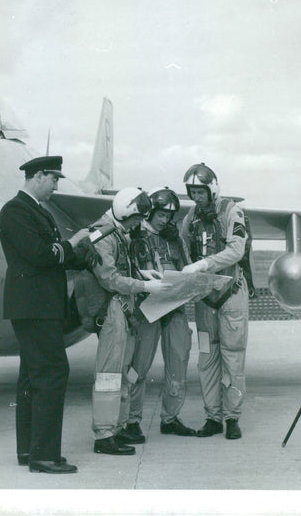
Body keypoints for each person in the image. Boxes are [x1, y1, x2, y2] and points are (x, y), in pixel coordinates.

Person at [0, 155, 92, 475]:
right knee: (51, 374)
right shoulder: (16, 211)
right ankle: (44, 456)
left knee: (32, 378)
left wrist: (79, 252)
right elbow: (40, 255)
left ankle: (30, 450)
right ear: (38, 176)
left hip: (36, 306)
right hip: (35, 308)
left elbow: (52, 256)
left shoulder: (34, 210)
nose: (55, 185)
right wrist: (73, 242)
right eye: (53, 179)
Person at [90, 187, 172, 455]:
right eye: (137, 219)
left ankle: (117, 427)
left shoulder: (118, 233)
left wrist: (142, 274)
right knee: (109, 375)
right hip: (113, 309)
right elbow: (109, 278)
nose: (139, 225)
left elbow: (122, 268)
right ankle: (104, 434)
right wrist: (144, 287)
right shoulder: (103, 234)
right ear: (127, 213)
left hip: (124, 309)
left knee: (123, 374)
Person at [119, 188, 197, 444]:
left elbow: (187, 268)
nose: (165, 220)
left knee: (178, 362)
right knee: (138, 366)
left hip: (174, 307)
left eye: (169, 216)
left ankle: (171, 418)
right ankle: (131, 420)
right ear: (150, 212)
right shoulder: (134, 236)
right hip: (145, 309)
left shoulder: (175, 239)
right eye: (161, 214)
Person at [179, 163, 249, 440]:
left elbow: (237, 249)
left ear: (212, 189)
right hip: (205, 298)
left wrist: (204, 264)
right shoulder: (191, 217)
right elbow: (184, 247)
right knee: (207, 359)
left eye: (200, 191)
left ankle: (232, 418)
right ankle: (212, 417)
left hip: (231, 294)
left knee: (233, 357)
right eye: (192, 192)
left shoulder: (233, 211)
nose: (196, 197)